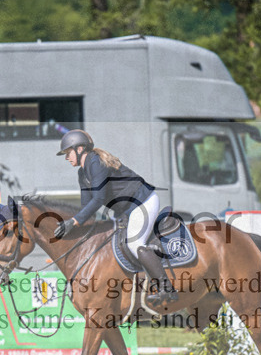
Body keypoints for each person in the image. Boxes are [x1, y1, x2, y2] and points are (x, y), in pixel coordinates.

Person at [53, 129, 178, 307]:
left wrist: (73, 221)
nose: (66, 158)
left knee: (135, 243)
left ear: (80, 149)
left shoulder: (95, 163)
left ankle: (166, 288)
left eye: (68, 153)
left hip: (143, 202)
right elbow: (86, 208)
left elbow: (98, 200)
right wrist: (71, 229)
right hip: (125, 211)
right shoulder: (82, 173)